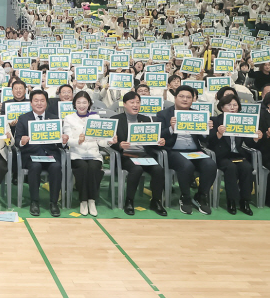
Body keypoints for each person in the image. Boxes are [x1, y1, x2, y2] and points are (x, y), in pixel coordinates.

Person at [156, 85, 217, 215]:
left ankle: (201, 196)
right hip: (173, 151)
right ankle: (185, 197)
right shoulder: (164, 114)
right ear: (175, 98)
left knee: (210, 164)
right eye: (182, 96)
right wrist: (171, 128)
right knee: (186, 165)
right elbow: (159, 135)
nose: (185, 99)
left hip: (194, 150)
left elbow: (205, 139)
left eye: (188, 97)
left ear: (193, 99)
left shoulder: (198, 115)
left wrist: (207, 130)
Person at [111, 92, 167, 216]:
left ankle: (156, 201)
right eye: (132, 102)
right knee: (136, 169)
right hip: (126, 156)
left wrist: (159, 141)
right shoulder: (116, 120)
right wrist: (119, 145)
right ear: (124, 104)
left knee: (158, 169)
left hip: (144, 155)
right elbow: (110, 142)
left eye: (138, 102)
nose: (135, 105)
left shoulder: (146, 119)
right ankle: (129, 201)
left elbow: (151, 141)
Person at [13, 89, 66, 217]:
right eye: (36, 101)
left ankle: (53, 203)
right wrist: (22, 141)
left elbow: (59, 144)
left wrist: (63, 141)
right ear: (31, 103)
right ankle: (34, 202)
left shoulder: (54, 118)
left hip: (50, 154)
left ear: (46, 103)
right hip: (32, 155)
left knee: (56, 167)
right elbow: (17, 141)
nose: (39, 103)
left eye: (42, 100)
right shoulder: (23, 118)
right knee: (35, 167)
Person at [63, 91, 116, 216]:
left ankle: (91, 200)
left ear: (89, 104)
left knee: (93, 168)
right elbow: (67, 140)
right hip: (77, 154)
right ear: (74, 104)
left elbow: (101, 141)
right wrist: (78, 141)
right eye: (79, 103)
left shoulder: (95, 118)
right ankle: (83, 200)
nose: (82, 105)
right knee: (83, 168)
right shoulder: (69, 118)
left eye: (84, 102)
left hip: (93, 154)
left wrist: (110, 141)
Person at [207, 93, 261, 215]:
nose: (232, 107)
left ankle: (245, 201)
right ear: (221, 107)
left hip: (238, 154)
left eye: (235, 105)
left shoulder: (243, 120)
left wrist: (256, 138)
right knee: (230, 168)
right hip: (222, 156)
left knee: (247, 168)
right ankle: (231, 201)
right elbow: (208, 141)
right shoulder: (214, 120)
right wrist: (218, 135)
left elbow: (248, 141)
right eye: (229, 105)